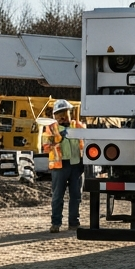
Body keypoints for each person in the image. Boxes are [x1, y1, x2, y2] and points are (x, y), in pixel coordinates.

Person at [43, 98, 85, 233]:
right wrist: (58, 138)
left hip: (76, 165)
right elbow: (45, 147)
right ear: (54, 115)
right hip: (59, 167)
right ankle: (56, 223)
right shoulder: (50, 129)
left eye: (64, 113)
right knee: (57, 197)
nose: (62, 117)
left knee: (76, 196)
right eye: (59, 114)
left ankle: (74, 223)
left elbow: (86, 141)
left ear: (69, 113)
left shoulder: (78, 126)